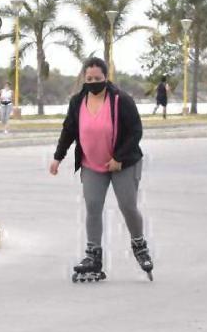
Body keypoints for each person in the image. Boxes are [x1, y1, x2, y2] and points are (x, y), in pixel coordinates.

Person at [50, 57, 154, 283]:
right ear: (83, 79)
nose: (93, 82)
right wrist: (58, 157)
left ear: (106, 78)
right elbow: (69, 130)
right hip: (92, 164)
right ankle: (93, 256)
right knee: (93, 207)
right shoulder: (78, 101)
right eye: (89, 79)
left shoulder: (120, 100)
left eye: (98, 78)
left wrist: (118, 158)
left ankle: (139, 244)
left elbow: (135, 131)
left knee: (128, 206)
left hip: (123, 163)